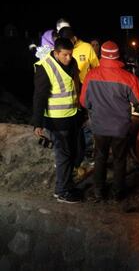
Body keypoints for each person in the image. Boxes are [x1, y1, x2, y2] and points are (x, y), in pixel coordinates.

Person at [80, 41, 139, 201]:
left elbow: (84, 102)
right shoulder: (128, 77)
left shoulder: (91, 75)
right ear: (117, 55)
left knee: (100, 157)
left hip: (99, 127)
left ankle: (98, 191)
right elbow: (138, 100)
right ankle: (117, 194)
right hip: (120, 128)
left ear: (101, 55)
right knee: (119, 159)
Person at [32, 37, 81, 203]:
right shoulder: (44, 67)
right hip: (56, 120)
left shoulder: (71, 62)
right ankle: (62, 191)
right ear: (56, 52)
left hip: (71, 117)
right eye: (65, 55)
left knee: (71, 154)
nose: (69, 58)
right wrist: (37, 123)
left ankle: (66, 186)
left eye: (70, 54)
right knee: (63, 156)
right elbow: (39, 97)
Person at [59, 26, 100, 169]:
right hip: (68, 93)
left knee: (87, 124)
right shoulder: (61, 50)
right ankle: (74, 156)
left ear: (74, 38)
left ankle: (88, 153)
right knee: (74, 126)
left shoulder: (86, 48)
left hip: (86, 90)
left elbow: (96, 68)